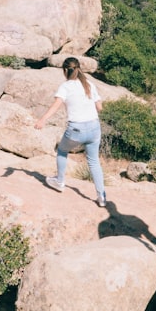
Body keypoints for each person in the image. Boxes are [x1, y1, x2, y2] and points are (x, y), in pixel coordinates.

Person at [34, 57, 107, 207]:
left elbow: (55, 106)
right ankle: (101, 197)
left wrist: (42, 120)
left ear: (65, 71)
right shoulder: (89, 85)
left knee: (62, 150)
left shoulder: (65, 87)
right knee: (94, 162)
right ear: (79, 68)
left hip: (76, 129)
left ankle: (60, 182)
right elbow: (100, 108)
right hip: (94, 127)